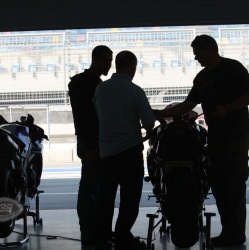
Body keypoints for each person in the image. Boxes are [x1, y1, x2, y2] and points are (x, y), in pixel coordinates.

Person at [153, 34, 249, 247]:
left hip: (235, 137)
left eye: (198, 54)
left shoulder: (233, 69)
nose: (196, 58)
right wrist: (163, 113)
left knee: (233, 184)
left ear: (209, 49)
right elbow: (189, 104)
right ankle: (229, 232)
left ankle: (235, 234)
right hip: (216, 138)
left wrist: (229, 108)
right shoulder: (202, 78)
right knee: (219, 185)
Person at [93, 50, 155, 250]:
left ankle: (102, 238)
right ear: (132, 67)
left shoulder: (101, 89)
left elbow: (98, 115)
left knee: (105, 198)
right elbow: (148, 123)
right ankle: (122, 235)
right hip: (130, 153)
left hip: (107, 153)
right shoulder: (135, 91)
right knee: (130, 198)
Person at [68, 45, 113, 246]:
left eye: (110, 60)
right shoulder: (87, 84)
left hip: (92, 142)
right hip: (92, 143)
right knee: (89, 189)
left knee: (91, 188)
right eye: (105, 60)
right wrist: (90, 145)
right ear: (94, 59)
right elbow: (84, 117)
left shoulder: (87, 83)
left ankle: (91, 230)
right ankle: (89, 230)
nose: (109, 64)